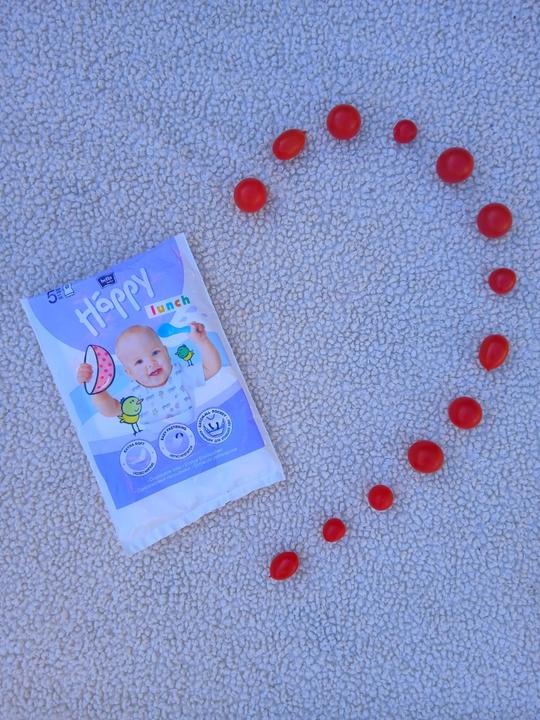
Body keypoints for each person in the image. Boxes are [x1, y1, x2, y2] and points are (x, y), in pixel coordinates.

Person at [77, 322, 221, 425]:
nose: (151, 363)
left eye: (155, 353)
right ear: (129, 373)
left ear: (166, 352)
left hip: (193, 426)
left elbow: (212, 367)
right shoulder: (133, 395)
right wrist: (97, 390)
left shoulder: (180, 375)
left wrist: (202, 341)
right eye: (139, 362)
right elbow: (110, 410)